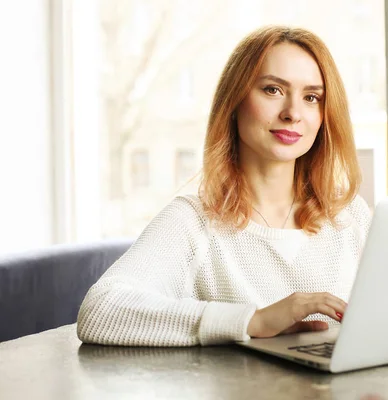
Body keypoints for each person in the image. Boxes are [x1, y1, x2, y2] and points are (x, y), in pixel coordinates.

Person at [77, 25, 372, 347]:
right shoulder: (194, 220)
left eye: (312, 97)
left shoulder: (349, 216)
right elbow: (101, 312)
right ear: (235, 100)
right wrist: (252, 321)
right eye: (272, 90)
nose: (293, 114)